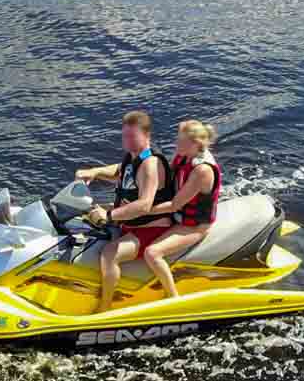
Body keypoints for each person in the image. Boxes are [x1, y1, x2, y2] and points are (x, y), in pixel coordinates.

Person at [76, 110, 175, 313]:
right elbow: (121, 171)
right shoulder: (135, 156)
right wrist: (95, 172)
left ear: (146, 136)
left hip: (151, 228)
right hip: (130, 221)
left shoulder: (150, 164)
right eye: (125, 136)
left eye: (132, 136)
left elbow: (144, 205)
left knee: (109, 254)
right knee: (83, 218)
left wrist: (110, 215)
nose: (127, 141)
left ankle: (105, 307)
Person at [138, 120, 222, 300]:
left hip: (194, 225)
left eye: (180, 141)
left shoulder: (202, 171)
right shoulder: (184, 154)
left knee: (152, 253)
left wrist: (141, 210)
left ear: (195, 144)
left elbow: (175, 204)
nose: (176, 144)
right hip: (177, 215)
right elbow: (167, 176)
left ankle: (173, 297)